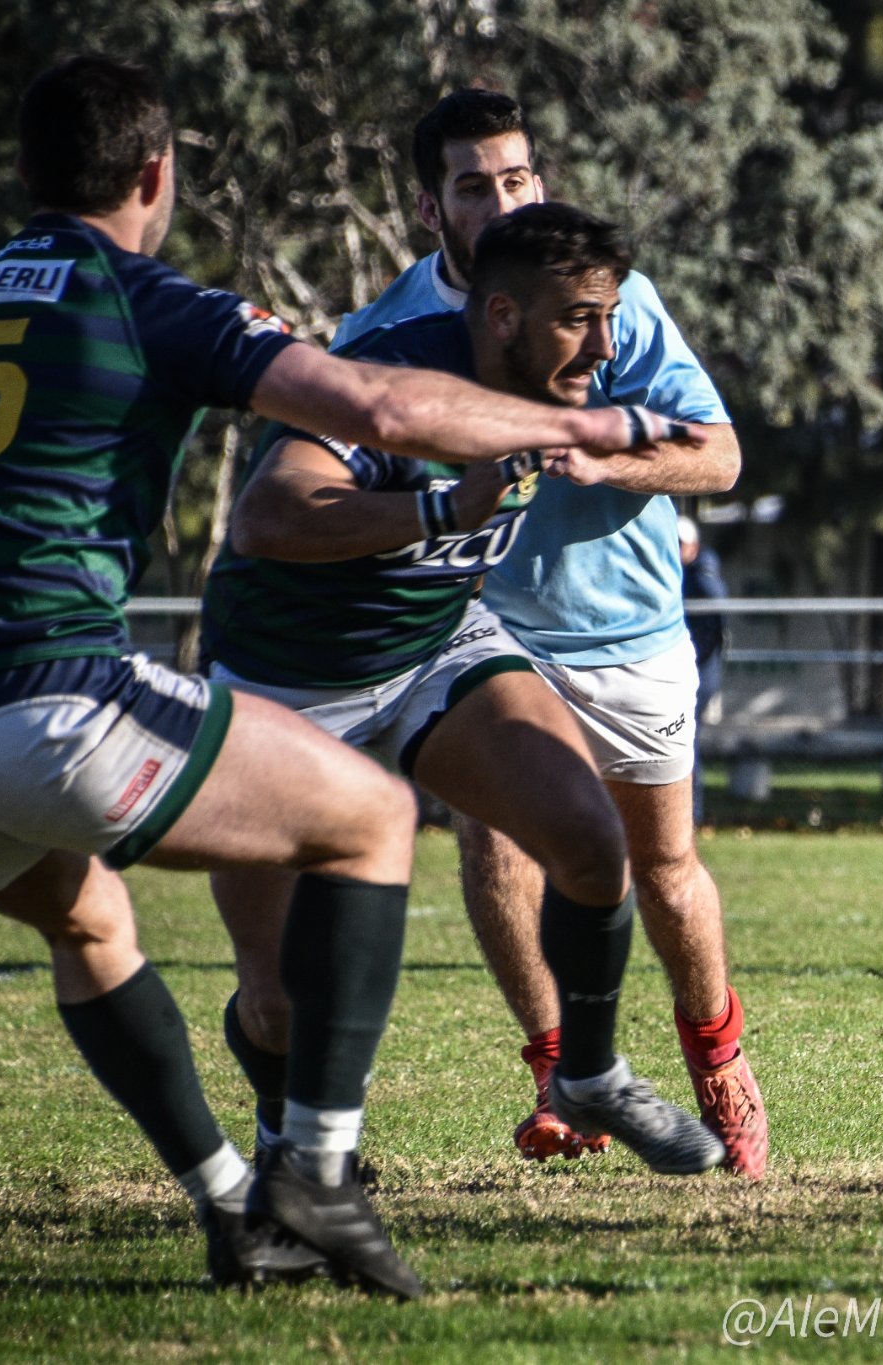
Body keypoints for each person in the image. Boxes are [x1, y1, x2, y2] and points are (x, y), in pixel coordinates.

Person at [0, 55, 683, 1298]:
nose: (600, 346)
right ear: (158, 172)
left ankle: (241, 1208)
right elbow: (336, 438)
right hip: (119, 686)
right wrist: (584, 433)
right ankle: (312, 1175)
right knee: (355, 848)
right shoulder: (156, 300)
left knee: (91, 926)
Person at [203, 203, 722, 1178]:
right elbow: (267, 516)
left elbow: (711, 453)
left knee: (587, 835)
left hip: (435, 645)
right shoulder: (398, 375)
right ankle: (290, 1150)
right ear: (499, 318)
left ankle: (586, 1070)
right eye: (579, 319)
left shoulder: (556, 386)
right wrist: (442, 506)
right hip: (288, 677)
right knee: (276, 1002)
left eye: (609, 317)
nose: (604, 346)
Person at [330, 88, 768, 1179]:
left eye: (516, 178)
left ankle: (716, 1055)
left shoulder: (609, 302)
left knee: (661, 868)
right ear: (430, 209)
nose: (500, 201)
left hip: (629, 630)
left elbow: (717, 458)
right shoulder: (385, 339)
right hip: (485, 630)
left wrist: (602, 461)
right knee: (498, 842)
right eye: (473, 186)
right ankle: (559, 1069)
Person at [679, 516, 729, 826]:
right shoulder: (689, 574)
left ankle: (690, 815)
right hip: (695, 672)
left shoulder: (702, 578)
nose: (675, 549)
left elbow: (714, 627)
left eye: (680, 543)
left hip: (697, 674)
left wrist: (692, 663)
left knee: (685, 745)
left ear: (694, 546)